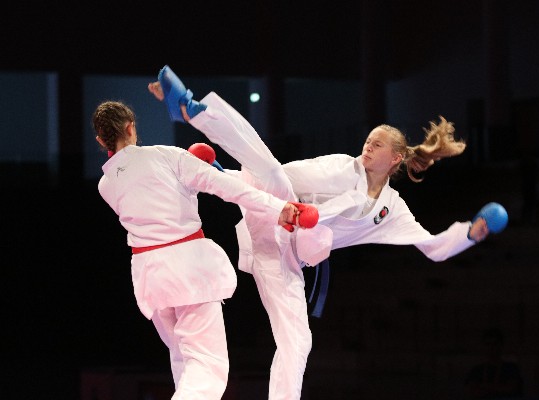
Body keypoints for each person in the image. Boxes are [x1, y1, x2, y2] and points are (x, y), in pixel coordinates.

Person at [148, 65, 508, 400]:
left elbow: (432, 247)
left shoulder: (392, 210)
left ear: (396, 158)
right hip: (277, 213)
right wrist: (225, 176)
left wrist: (471, 234)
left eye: (378, 143)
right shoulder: (341, 167)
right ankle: (191, 109)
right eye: (369, 139)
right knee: (273, 175)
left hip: (284, 257)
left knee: (298, 341)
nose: (368, 145)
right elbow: (275, 179)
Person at [92, 99, 314, 399]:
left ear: (100, 139)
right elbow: (228, 187)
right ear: (131, 127)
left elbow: (151, 193)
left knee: (184, 359)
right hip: (188, 271)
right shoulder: (167, 157)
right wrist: (279, 207)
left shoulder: (105, 185)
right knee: (208, 367)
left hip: (151, 279)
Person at [464, 327, 524, 399]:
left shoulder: (510, 368)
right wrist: (498, 388)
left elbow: (511, 388)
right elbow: (471, 392)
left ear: (501, 346)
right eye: (488, 344)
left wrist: (484, 387)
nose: (491, 348)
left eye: (494, 344)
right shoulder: (477, 370)